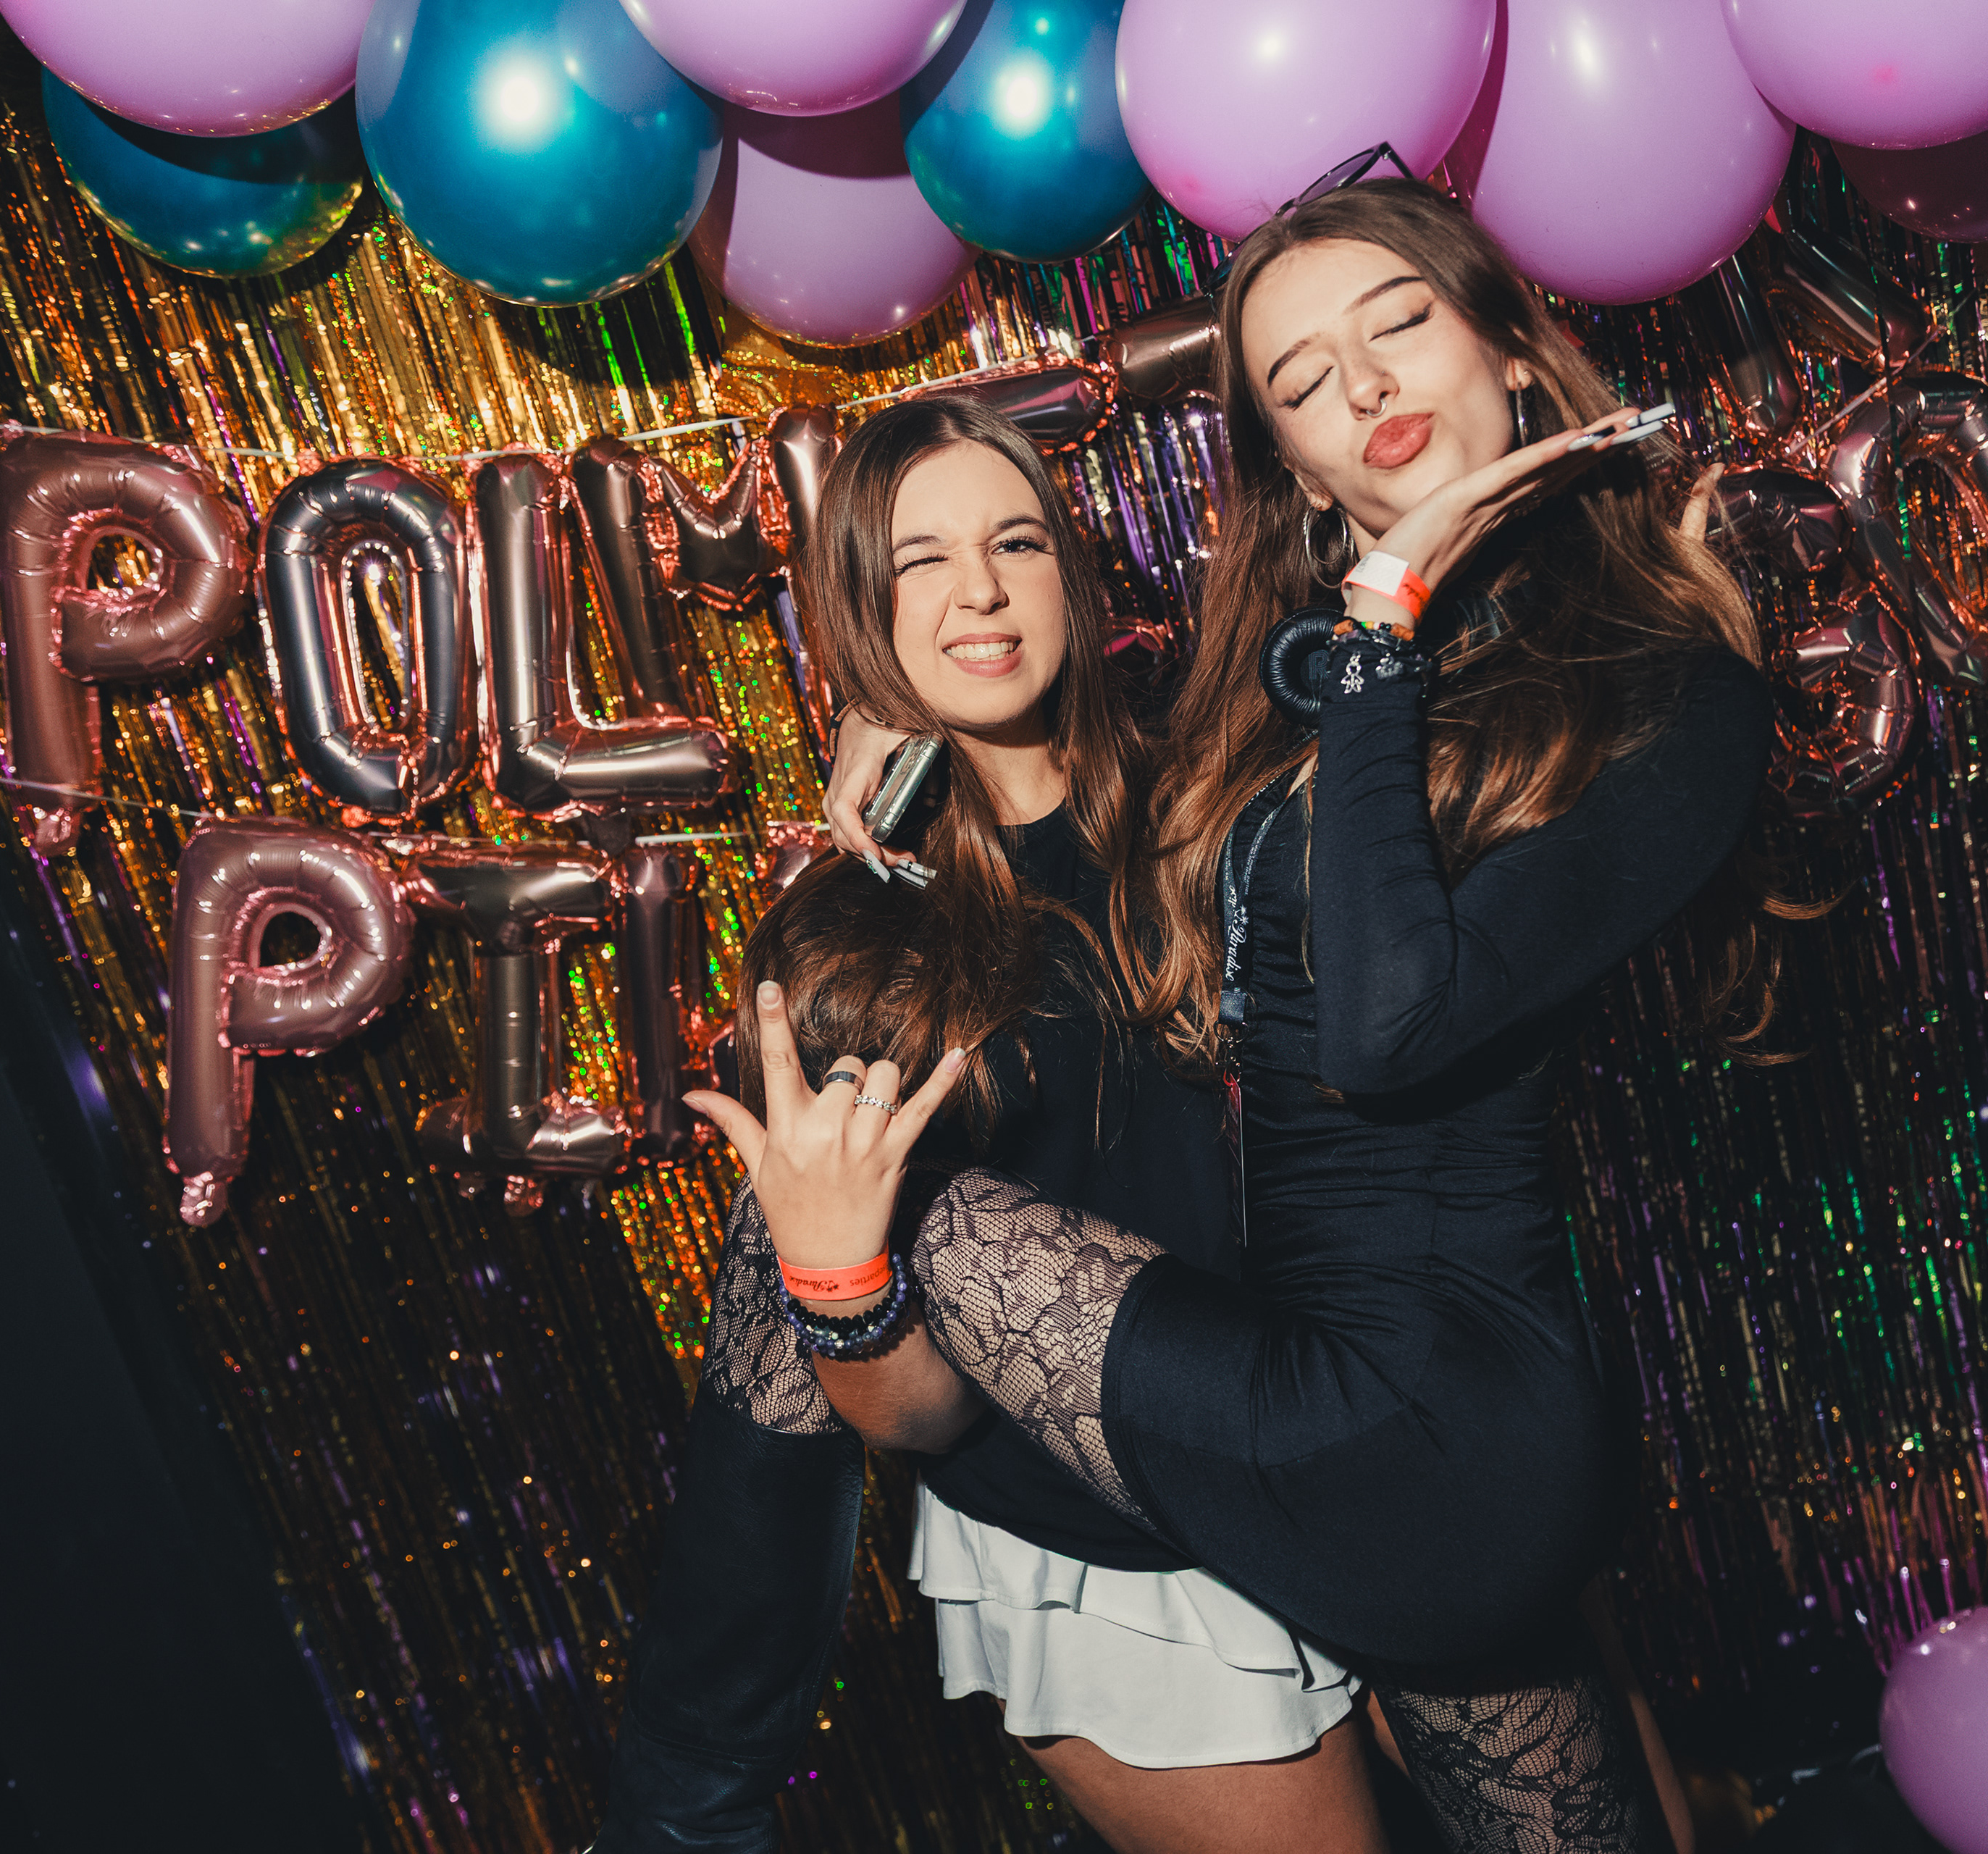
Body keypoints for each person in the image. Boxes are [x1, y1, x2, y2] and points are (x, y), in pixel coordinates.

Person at [706, 175, 1785, 1854]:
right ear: (1294, 464)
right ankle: (690, 1783)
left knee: (883, 1221)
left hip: (1429, 1413)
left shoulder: (1662, 686)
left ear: (1511, 342)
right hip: (1275, 1378)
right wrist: (904, 716)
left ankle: (685, 1797)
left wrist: (1382, 618)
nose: (1365, 383)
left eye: (1400, 319)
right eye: (1299, 378)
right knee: (820, 1203)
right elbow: (1131, 801)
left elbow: (1385, 1026)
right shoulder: (1291, 678)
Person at [597, 395, 1393, 1854]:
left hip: (1361, 1425)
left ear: (1070, 575)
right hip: (1126, 1560)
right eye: (920, 562)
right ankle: (683, 1804)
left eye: (1014, 542)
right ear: (858, 608)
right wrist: (836, 1277)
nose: (978, 590)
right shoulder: (847, 942)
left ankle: (679, 1803)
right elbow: (923, 1415)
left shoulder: (1216, 786)